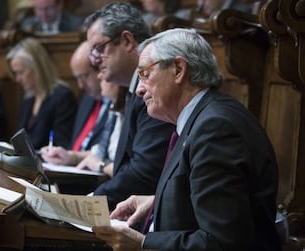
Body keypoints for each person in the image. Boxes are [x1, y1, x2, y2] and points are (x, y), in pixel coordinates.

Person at [92, 28, 281, 251]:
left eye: (145, 74)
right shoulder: (203, 117)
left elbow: (223, 243)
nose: (140, 90)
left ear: (179, 69)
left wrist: (141, 243)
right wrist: (157, 201)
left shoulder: (216, 129)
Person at [84, 2, 175, 210]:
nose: (95, 60)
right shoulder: (132, 88)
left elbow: (144, 173)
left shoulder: (153, 89)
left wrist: (90, 202)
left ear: (127, 41)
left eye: (99, 48)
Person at [40, 41, 111, 164]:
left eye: (84, 76)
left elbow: (109, 152)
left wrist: (72, 157)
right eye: (77, 78)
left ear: (100, 69)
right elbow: (76, 146)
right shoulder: (87, 99)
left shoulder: (119, 101)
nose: (80, 85)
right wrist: (62, 155)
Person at [6, 37, 77, 149]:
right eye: (15, 73)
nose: (17, 79)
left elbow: (61, 143)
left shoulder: (62, 96)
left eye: (21, 72)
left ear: (37, 68)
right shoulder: (28, 99)